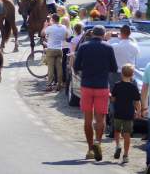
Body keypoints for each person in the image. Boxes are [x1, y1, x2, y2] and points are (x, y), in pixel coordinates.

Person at [74, 25, 118, 161]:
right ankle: (98, 142)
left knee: (87, 119)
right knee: (100, 118)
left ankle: (90, 149)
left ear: (92, 34)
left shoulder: (83, 47)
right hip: (102, 86)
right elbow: (114, 68)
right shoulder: (108, 47)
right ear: (104, 34)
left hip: (87, 85)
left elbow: (76, 66)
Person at [111, 64, 141, 164]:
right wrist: (139, 112)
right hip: (129, 114)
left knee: (117, 130)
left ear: (121, 74)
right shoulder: (133, 87)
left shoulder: (117, 85)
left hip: (118, 112)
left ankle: (118, 145)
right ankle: (126, 155)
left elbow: (113, 99)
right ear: (132, 75)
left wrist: (110, 96)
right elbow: (137, 101)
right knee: (127, 134)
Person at [41, 13, 68, 92]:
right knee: (59, 68)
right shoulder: (63, 27)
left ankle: (49, 85)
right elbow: (65, 37)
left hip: (51, 49)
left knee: (51, 69)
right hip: (59, 49)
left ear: (52, 20)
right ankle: (59, 84)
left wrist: (45, 26)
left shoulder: (50, 28)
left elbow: (42, 33)